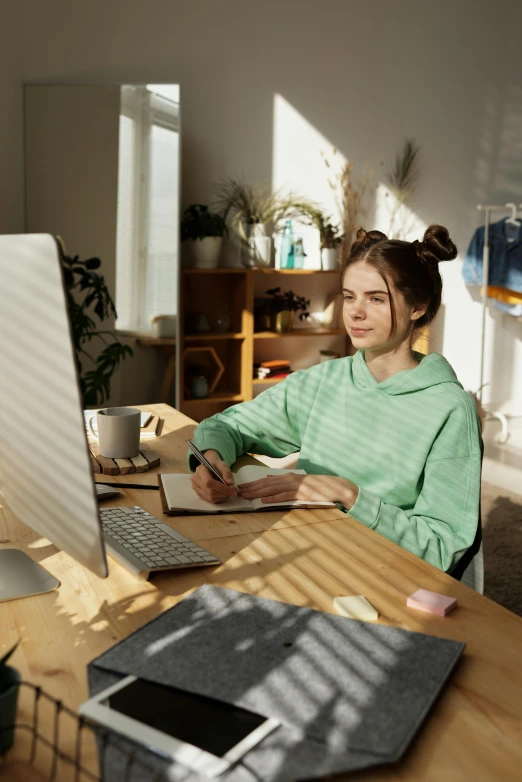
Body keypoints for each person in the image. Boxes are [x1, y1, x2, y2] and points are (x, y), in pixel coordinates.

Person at [189, 225, 482, 574]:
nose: (355, 312)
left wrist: (349, 495)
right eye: (349, 296)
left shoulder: (449, 408)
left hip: (380, 572)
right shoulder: (325, 380)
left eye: (376, 298)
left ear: (418, 306)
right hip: (304, 551)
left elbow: (441, 546)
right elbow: (228, 424)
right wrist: (211, 460)